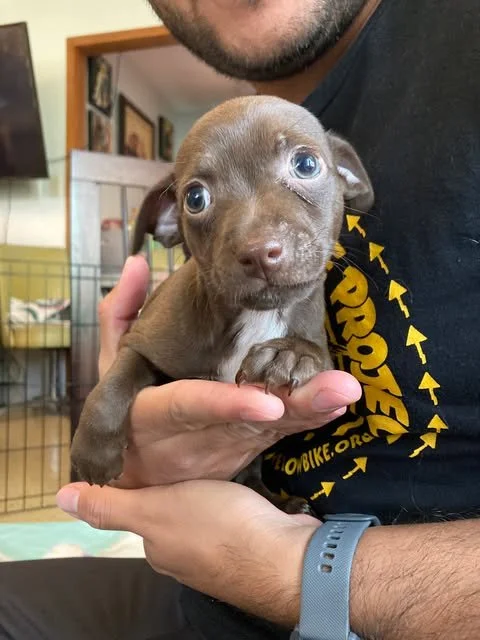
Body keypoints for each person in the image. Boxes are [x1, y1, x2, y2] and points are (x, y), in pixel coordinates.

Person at [2, 0, 480, 638]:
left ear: (346, 179)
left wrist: (297, 571)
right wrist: (127, 424)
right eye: (200, 198)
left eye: (303, 167)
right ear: (171, 224)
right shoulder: (184, 304)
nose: (259, 241)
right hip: (194, 592)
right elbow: (142, 358)